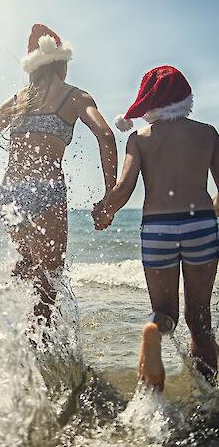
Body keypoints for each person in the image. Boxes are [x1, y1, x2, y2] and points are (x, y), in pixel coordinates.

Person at [0, 24, 117, 319]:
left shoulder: (17, 101)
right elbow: (106, 136)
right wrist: (110, 195)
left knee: (29, 262)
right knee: (49, 280)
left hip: (9, 197)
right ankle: (38, 352)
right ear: (61, 62)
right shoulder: (75, 97)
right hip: (46, 191)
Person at [92, 66, 219, 390]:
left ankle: (155, 333)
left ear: (149, 100)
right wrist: (208, 212)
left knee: (165, 313)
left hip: (158, 229)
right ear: (185, 97)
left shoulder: (140, 139)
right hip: (200, 226)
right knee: (199, 320)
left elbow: (124, 188)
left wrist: (104, 212)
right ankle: (210, 398)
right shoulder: (207, 133)